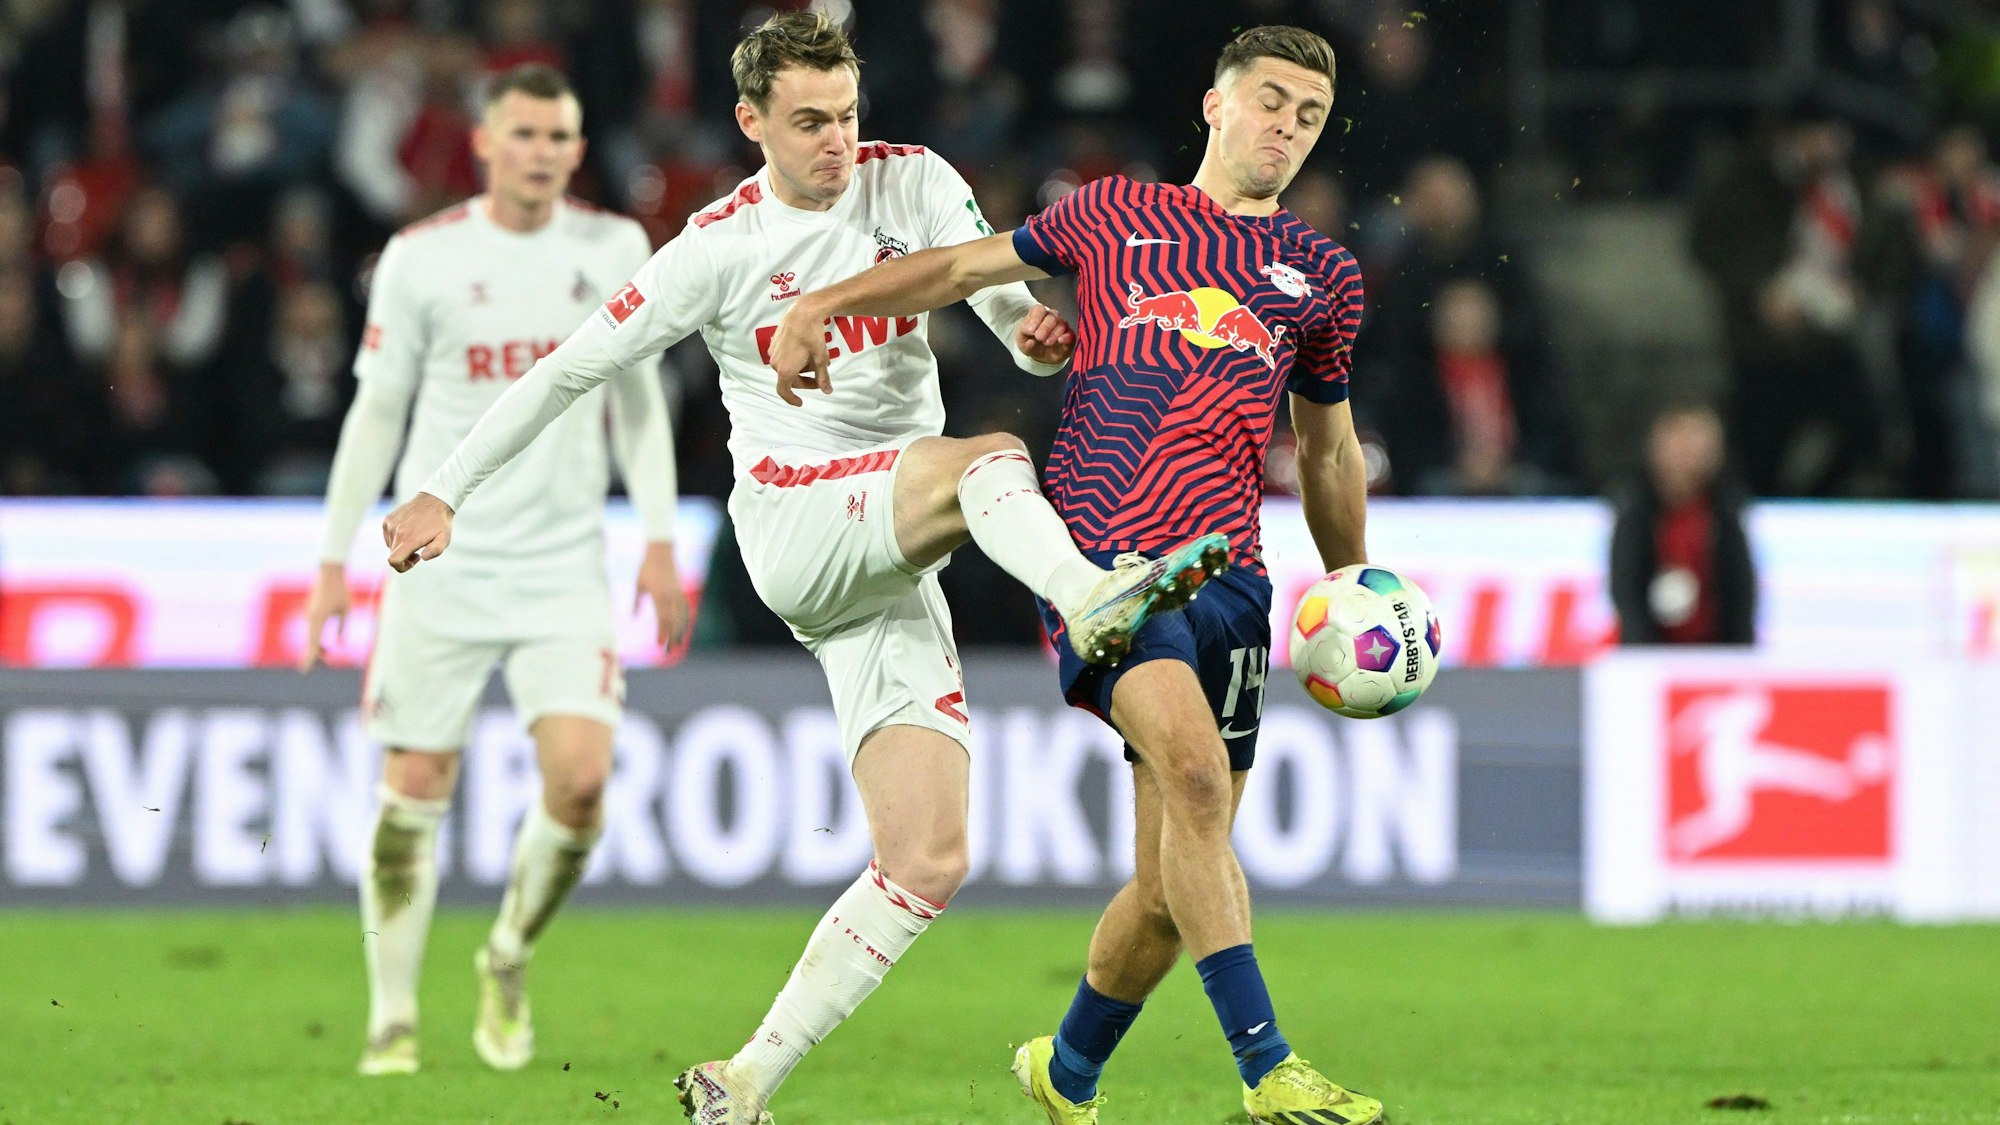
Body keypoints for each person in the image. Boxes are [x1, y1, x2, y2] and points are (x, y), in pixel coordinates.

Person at [374, 12, 1227, 1121]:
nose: (836, 141)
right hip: (792, 523)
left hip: (885, 557)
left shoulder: (914, 181)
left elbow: (997, 297)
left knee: (926, 858)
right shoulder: (718, 246)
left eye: (848, 116)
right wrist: (445, 488)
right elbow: (569, 370)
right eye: (809, 122)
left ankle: (741, 1082)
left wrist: (1029, 332)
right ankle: (1088, 597)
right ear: (750, 122)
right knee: (992, 459)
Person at [766, 24, 1383, 1125]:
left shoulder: (1321, 275)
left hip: (1229, 581)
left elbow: (1327, 446)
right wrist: (820, 306)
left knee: (1166, 884)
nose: (1284, 128)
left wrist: (1355, 585)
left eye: (1307, 116)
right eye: (1269, 101)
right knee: (1194, 781)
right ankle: (1266, 1066)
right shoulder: (1114, 215)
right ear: (1212, 104)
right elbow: (960, 268)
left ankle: (1067, 1071)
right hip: (1105, 569)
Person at [301, 63, 690, 1077]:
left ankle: (506, 955)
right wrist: (332, 556)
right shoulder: (421, 259)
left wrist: (655, 538)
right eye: (523, 134)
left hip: (563, 561)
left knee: (581, 783)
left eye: (559, 136)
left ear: (575, 146)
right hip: (442, 562)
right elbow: (375, 413)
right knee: (415, 783)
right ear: (483, 142)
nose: (543, 153)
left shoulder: (613, 248)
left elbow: (640, 406)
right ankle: (391, 1014)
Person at [1608, 399, 1757, 645]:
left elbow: (1740, 592)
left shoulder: (1727, 509)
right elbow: (1625, 586)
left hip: (1717, 650)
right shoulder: (1634, 507)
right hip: (1649, 650)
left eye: (1696, 445)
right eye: (1680, 444)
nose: (1688, 455)